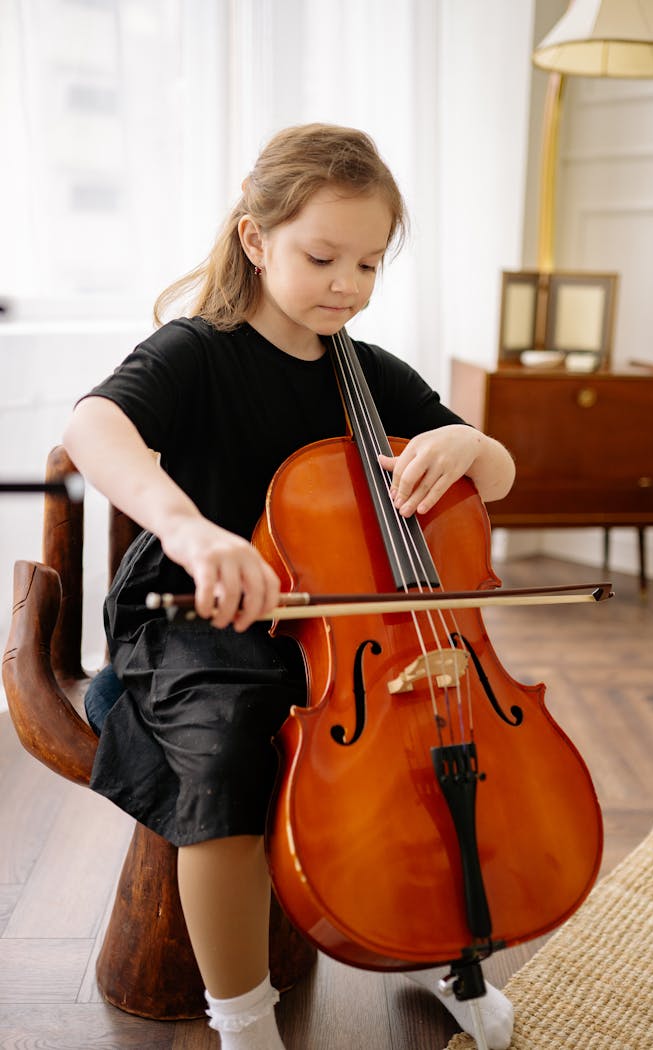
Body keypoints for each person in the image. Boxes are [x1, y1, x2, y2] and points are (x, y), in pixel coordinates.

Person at [63, 123, 516, 1050]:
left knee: (424, 751)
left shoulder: (367, 372)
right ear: (255, 239)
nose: (346, 284)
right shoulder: (196, 351)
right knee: (227, 752)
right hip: (205, 614)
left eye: (369, 263)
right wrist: (189, 529)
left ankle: (443, 944)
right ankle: (244, 1020)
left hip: (347, 622)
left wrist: (471, 445)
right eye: (321, 257)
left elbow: (501, 473)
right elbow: (92, 427)